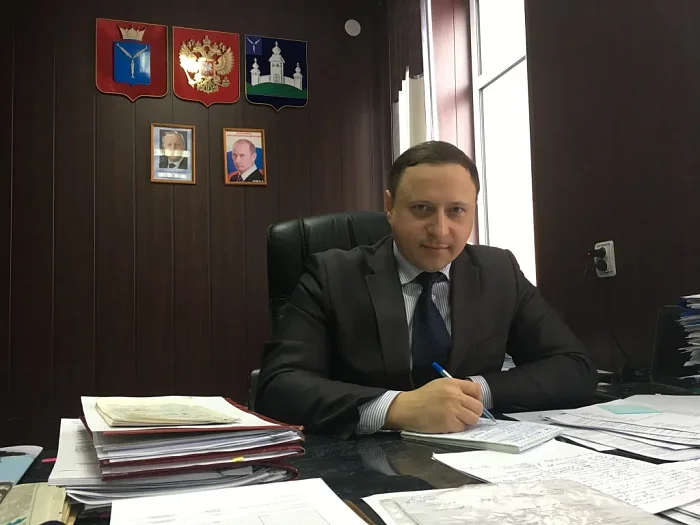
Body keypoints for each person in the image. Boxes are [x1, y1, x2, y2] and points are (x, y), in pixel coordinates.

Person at [256, 140, 597, 438]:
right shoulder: (332, 275)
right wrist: (396, 408)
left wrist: (472, 392)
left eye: (456, 211)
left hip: (479, 456)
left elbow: (574, 368)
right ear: (390, 207)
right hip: (365, 463)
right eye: (422, 209)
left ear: (473, 212)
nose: (440, 230)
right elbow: (278, 386)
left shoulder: (499, 272)